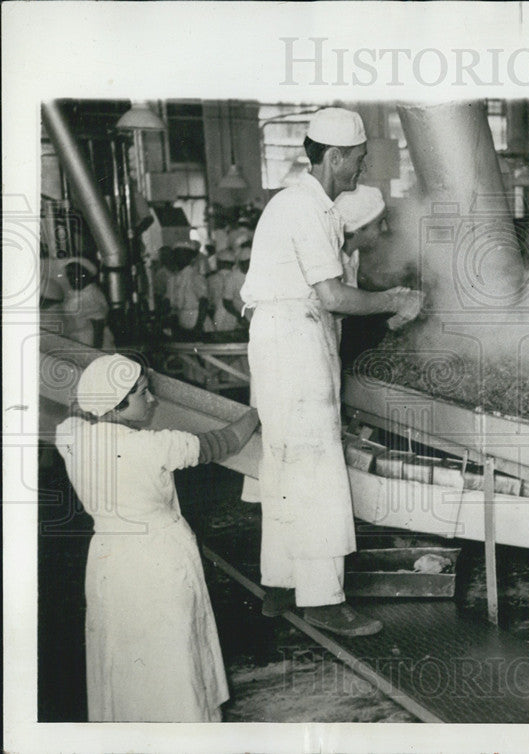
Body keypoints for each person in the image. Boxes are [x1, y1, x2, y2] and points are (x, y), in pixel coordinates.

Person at [240, 107, 422, 637]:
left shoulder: (306, 206)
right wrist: (395, 299)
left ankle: (280, 584)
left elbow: (331, 301)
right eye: (358, 160)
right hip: (293, 342)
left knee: (286, 465)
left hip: (285, 338)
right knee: (316, 469)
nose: (360, 171)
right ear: (335, 156)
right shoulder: (304, 209)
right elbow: (334, 296)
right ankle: (323, 599)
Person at [54, 354, 259, 721]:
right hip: (159, 557)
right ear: (119, 402)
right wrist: (258, 412)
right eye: (144, 394)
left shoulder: (70, 438)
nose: (153, 401)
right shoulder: (155, 446)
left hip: (108, 559)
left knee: (123, 649)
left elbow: (79, 414)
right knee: (172, 653)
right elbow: (225, 442)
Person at [56, 259, 115, 349]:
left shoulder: (92, 295)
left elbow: (98, 326)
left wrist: (95, 353)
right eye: (69, 275)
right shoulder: (73, 294)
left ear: (86, 275)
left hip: (91, 344)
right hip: (78, 343)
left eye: (76, 274)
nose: (72, 278)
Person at [166, 240, 212, 336]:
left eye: (183, 254)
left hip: (197, 322)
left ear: (190, 257)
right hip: (182, 322)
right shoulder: (173, 278)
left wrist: (199, 325)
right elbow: (169, 302)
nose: (179, 257)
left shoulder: (196, 277)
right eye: (177, 254)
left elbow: (203, 302)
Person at [208, 247, 238, 332]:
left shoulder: (211, 279)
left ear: (219, 263)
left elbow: (209, 301)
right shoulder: (237, 277)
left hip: (217, 315)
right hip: (236, 314)